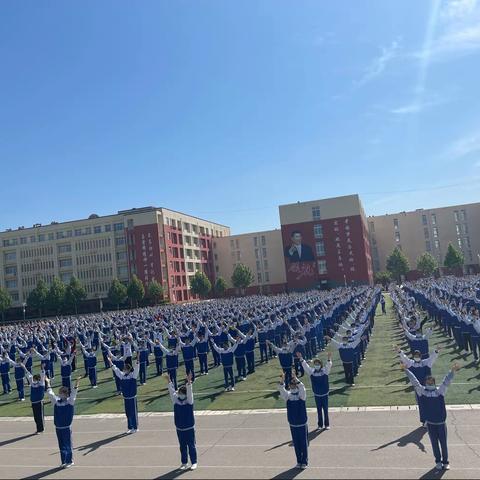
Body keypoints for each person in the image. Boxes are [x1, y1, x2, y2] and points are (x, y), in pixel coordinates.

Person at [401, 362, 461, 471]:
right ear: (425, 383)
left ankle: (445, 462)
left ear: (434, 382)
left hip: (441, 424)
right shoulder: (422, 392)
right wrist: (406, 370)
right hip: (431, 424)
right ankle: (438, 461)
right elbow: (414, 381)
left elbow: (446, 381)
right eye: (428, 382)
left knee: (443, 444)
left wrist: (452, 371)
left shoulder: (439, 392)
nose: (429, 383)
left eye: (431, 382)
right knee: (434, 444)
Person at [45, 376, 81, 468]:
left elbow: (74, 393)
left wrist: (77, 382)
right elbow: (50, 393)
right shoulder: (56, 402)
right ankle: (64, 461)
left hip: (66, 428)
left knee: (68, 444)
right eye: (59, 393)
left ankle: (70, 461)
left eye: (61, 393)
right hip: (58, 428)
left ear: (66, 394)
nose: (59, 395)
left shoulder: (70, 402)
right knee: (61, 445)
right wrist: (47, 382)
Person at [166, 373, 197, 471]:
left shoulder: (189, 402)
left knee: (191, 445)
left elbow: (189, 393)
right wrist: (169, 381)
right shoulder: (176, 401)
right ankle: (184, 462)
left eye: (181, 393)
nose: (179, 394)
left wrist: (189, 382)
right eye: (179, 392)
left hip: (189, 428)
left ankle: (194, 462)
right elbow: (171, 392)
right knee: (182, 446)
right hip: (179, 428)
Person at [277, 371, 308, 469]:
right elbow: (281, 390)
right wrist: (282, 380)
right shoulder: (288, 396)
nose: (292, 386)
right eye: (291, 384)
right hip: (293, 424)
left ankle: (305, 462)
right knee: (296, 444)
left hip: (302, 423)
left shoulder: (301, 395)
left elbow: (302, 388)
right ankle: (299, 461)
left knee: (303, 443)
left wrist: (296, 378)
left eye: (294, 384)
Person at [298, 351, 332, 430]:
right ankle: (320, 425)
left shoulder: (325, 371)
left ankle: (327, 424)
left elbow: (329, 365)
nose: (317, 365)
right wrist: (301, 358)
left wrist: (329, 358)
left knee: (325, 410)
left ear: (321, 365)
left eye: (318, 364)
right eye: (315, 364)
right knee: (319, 410)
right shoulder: (312, 372)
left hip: (324, 394)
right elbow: (305, 366)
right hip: (317, 394)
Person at [108, 354, 140, 433]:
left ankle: (135, 427)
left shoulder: (133, 376)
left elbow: (137, 367)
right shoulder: (122, 376)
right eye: (124, 369)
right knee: (128, 413)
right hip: (126, 398)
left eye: (125, 369)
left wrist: (138, 358)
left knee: (133, 413)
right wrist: (110, 361)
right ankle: (130, 427)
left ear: (129, 369)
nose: (124, 369)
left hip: (132, 398)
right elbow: (115, 369)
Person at [23, 365, 46, 433]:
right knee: (36, 417)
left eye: (35, 379)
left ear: (38, 379)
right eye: (34, 379)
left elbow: (42, 375)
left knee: (40, 416)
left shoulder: (41, 383)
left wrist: (42, 368)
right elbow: (29, 375)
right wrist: (24, 367)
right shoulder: (32, 384)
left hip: (39, 402)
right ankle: (38, 429)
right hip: (33, 403)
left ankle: (41, 429)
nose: (34, 380)